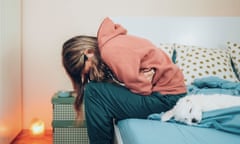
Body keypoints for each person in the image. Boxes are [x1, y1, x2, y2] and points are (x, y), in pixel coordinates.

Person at [62, 17, 187, 144]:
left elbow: (143, 90)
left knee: (93, 92)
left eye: (85, 69)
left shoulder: (111, 51)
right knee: (97, 90)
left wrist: (141, 82)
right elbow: (129, 83)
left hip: (166, 99)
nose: (88, 73)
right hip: (167, 95)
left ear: (88, 52)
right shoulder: (112, 44)